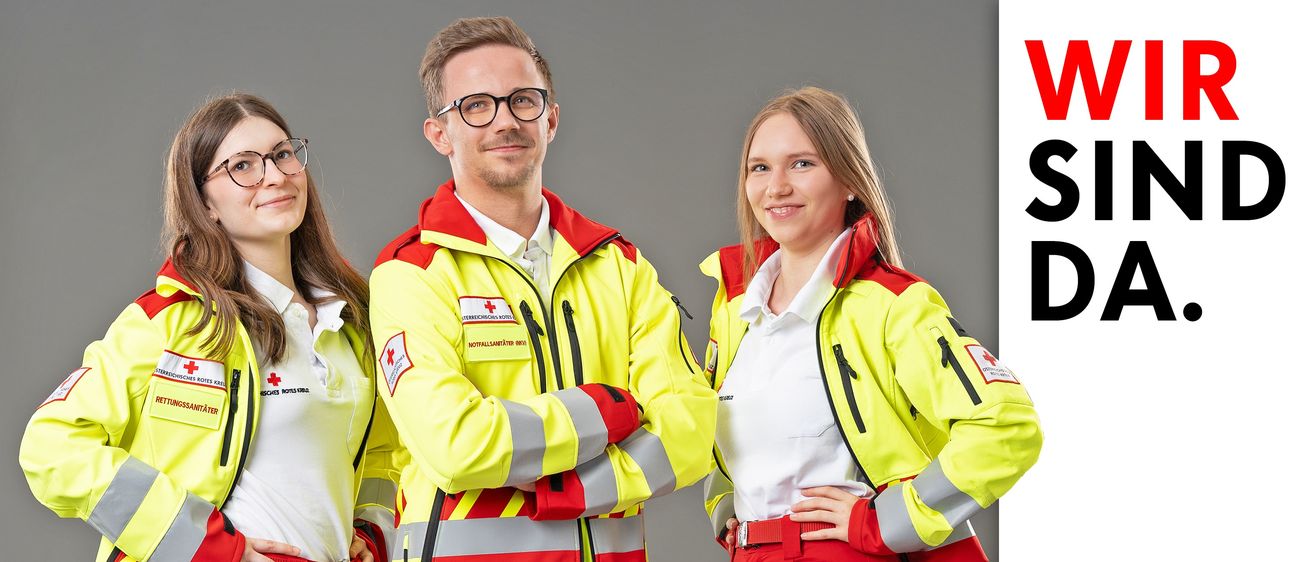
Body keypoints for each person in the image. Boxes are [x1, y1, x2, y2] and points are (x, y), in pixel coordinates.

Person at [369, 16, 717, 562]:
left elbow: (691, 431)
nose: (505, 121)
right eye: (476, 106)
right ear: (439, 134)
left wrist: (570, 491)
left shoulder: (620, 266)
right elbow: (455, 446)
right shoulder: (412, 272)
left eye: (522, 101)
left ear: (550, 118)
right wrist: (608, 408)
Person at [19, 93, 398, 562]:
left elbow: (384, 454)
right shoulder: (170, 323)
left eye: (282, 154)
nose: (275, 176)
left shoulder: (352, 320)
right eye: (242, 166)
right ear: (204, 202)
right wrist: (205, 546)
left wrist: (370, 532)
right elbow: (50, 448)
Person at [700, 87, 1042, 562]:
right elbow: (725, 439)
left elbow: (1006, 425)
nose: (776, 187)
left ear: (849, 181)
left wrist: (893, 519)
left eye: (802, 164)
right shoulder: (736, 310)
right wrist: (728, 510)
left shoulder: (894, 305)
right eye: (759, 168)